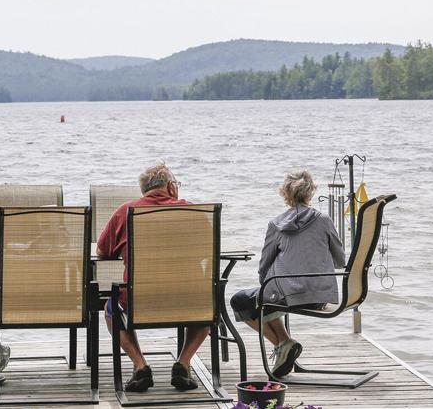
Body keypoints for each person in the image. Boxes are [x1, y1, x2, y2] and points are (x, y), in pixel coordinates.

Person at [96, 162, 208, 393]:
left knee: (111, 308)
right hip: (188, 298)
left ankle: (140, 366)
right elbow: (209, 250)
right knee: (207, 305)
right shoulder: (193, 212)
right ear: (171, 187)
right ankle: (183, 362)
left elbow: (102, 251)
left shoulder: (125, 211)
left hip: (140, 300)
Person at [230, 170, 345, 377]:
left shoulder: (276, 225)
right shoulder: (325, 220)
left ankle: (283, 344)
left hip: (287, 296)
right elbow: (340, 260)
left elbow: (264, 266)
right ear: (310, 193)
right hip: (320, 296)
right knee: (266, 296)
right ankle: (285, 345)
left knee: (243, 300)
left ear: (286, 194)